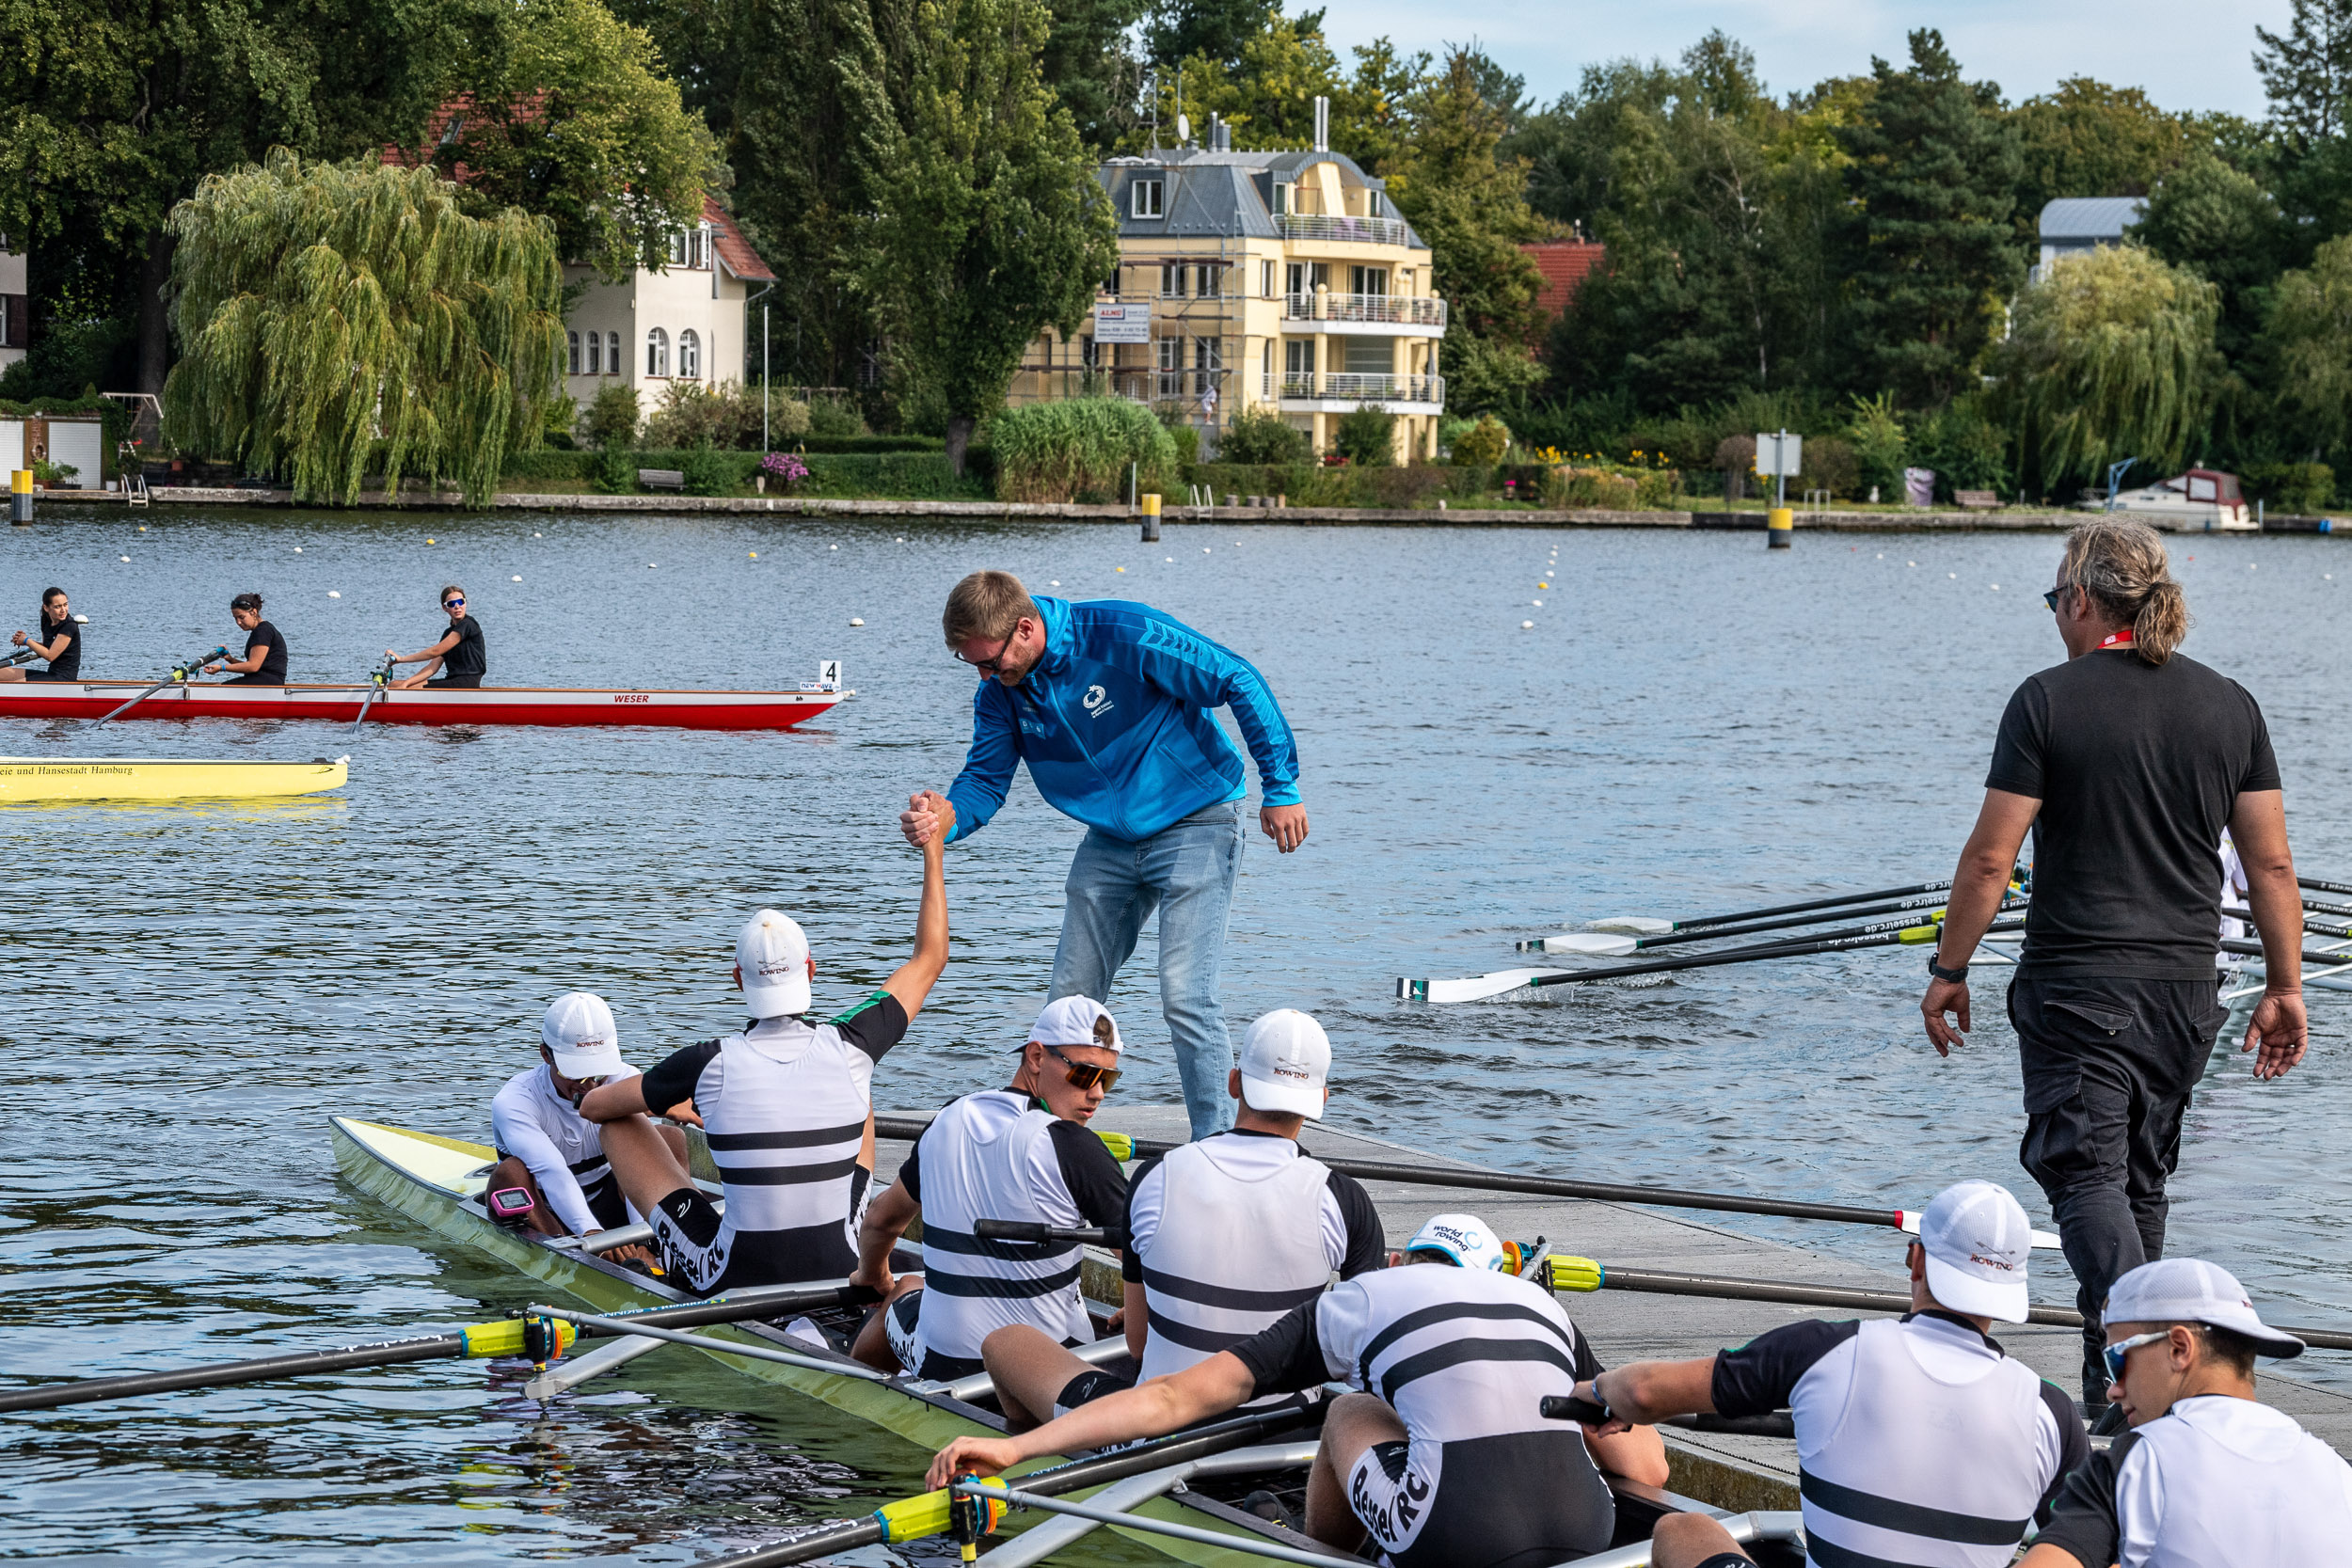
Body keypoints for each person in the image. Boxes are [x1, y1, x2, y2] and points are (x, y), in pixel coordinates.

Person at [1918, 517, 2309, 1418]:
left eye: (2059, 600)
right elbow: (2271, 868)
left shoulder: (2046, 700)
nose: (2057, 616)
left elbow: (1988, 860)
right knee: (2137, 1182)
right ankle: (2120, 1384)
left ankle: (2158, 1366)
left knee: (2086, 1177)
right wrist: (2285, 988)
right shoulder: (2231, 706)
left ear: (2086, 600)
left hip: (2078, 988)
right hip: (2187, 995)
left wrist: (1950, 967)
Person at [925, 1212, 1668, 1568]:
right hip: (1589, 1531)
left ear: (1405, 1259)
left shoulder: (1363, 1298)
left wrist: (1014, 1445)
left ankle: (1316, 1552)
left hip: (1456, 1531)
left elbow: (1173, 1401)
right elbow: (1650, 1472)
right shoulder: (1546, 1311)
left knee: (1350, 1408)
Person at [901, 570, 1306, 1140]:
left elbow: (1237, 678)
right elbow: (985, 783)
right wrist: (945, 819)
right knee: (1069, 997)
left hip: (1197, 820)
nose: (988, 677)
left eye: (993, 662)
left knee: (1185, 995)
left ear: (1025, 627)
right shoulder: (1000, 694)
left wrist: (1281, 786)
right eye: (975, 666)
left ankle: (1216, 1146)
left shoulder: (1124, 633)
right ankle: (1042, 1134)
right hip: (1110, 842)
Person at [1574, 1180, 2090, 1568]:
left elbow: (1643, 1391)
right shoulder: (2053, 1412)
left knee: (1682, 1532)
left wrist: (1596, 1391)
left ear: (1915, 1260)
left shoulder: (1825, 1350)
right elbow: (2088, 1543)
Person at [578, 792, 954, 1293]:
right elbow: (930, 957)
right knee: (858, 1085)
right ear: (811, 970)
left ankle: (679, 1242)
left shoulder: (706, 1060)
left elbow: (595, 1108)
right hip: (840, 1262)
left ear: (738, 979)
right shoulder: (853, 1042)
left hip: (736, 1276)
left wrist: (672, 1099)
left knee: (617, 1123)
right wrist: (934, 849)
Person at [980, 1007, 1385, 1430]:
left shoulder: (1156, 1177)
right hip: (1284, 1432)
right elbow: (1370, 1352)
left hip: (1158, 1432)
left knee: (1007, 1343)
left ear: (1233, 1083)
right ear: (1321, 1100)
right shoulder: (1345, 1200)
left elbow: (1137, 1344)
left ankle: (1042, 1451)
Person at [847, 996, 1133, 1388]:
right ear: (1035, 1057)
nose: (1098, 1093)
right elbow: (1153, 1263)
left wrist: (872, 1277)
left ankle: (855, 1387)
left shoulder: (947, 1120)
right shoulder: (1078, 1149)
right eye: (1085, 1075)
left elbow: (881, 1220)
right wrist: (1137, 1308)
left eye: (1109, 1079)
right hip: (1055, 1369)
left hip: (944, 1364)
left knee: (906, 1287)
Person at [2019, 1257, 2352, 1568]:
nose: (2112, 1389)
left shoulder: (2134, 1462)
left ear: (2179, 1348)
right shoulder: (2336, 1471)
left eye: (2116, 1360)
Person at [485, 991, 687, 1254]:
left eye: (599, 1073)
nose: (590, 1086)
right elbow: (553, 1172)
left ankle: (658, 1243)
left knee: (669, 1138)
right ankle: (568, 1254)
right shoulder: (515, 1101)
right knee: (511, 1172)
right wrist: (592, 1235)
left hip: (606, 1200)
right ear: (546, 1055)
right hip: (542, 1211)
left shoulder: (624, 1078)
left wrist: (643, 1240)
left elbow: (641, 1167)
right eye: (576, 1074)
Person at [389, 585, 486, 689]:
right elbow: (433, 667)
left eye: (461, 602)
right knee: (394, 684)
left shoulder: (469, 624)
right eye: (452, 604)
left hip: (466, 683)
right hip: (452, 681)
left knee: (410, 689)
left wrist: (401, 659)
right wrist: (407, 683)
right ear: (445, 608)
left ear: (465, 603)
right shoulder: (448, 633)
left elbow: (435, 651)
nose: (457, 606)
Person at [202, 593, 287, 685]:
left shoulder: (263, 631)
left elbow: (253, 666)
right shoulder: (261, 630)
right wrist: (230, 659)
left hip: (268, 682)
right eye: (235, 618)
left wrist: (221, 668)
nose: (238, 622)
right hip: (263, 679)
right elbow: (251, 667)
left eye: (242, 617)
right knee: (218, 687)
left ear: (254, 613)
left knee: (218, 689)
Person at [2, 588, 81, 683]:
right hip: (51, 674)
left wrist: (27, 640)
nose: (63, 610)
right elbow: (47, 647)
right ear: (46, 608)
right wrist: (24, 642)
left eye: (65, 605)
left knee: (15, 685)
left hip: (64, 678)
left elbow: (50, 655)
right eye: (57, 607)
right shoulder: (46, 620)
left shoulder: (69, 626)